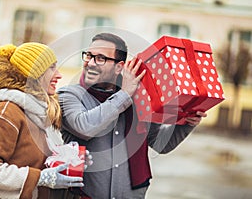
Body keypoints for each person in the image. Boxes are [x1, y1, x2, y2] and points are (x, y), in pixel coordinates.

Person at [57, 32, 207, 199]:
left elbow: (160, 144)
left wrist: (188, 123)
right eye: (88, 56)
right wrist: (124, 95)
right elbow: (85, 127)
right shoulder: (68, 95)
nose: (91, 63)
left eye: (100, 58)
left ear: (119, 67)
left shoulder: (140, 100)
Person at [0, 42, 86, 199]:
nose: (58, 75)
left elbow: (35, 159)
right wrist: (41, 178)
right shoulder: (5, 113)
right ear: (34, 74)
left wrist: (68, 158)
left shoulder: (40, 111)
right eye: (51, 68)